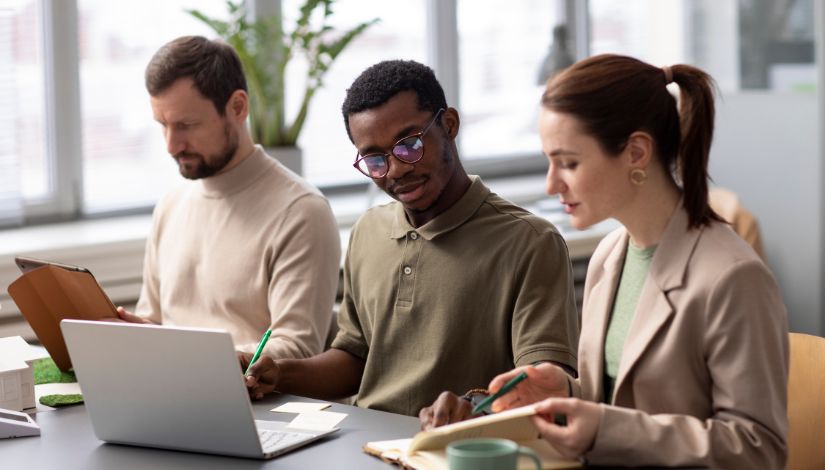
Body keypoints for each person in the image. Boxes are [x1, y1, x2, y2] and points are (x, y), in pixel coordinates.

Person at [420, 54, 789, 469]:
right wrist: (565, 393)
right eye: (548, 160)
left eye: (569, 163)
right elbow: (620, 402)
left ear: (636, 152)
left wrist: (602, 428)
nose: (550, 183)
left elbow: (759, 450)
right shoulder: (609, 257)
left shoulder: (733, 278)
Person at [244, 59, 580, 416]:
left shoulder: (530, 242)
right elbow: (355, 360)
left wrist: (474, 408)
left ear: (449, 125)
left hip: (455, 449)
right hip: (362, 444)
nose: (398, 169)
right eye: (375, 159)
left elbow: (543, 386)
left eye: (409, 144)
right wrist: (278, 372)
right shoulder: (368, 232)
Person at [116, 36, 341, 367]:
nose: (171, 145)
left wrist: (203, 362)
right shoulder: (171, 205)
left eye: (186, 125)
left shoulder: (302, 211)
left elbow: (297, 347)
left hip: (264, 408)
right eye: (163, 125)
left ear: (237, 107)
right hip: (179, 394)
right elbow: (155, 324)